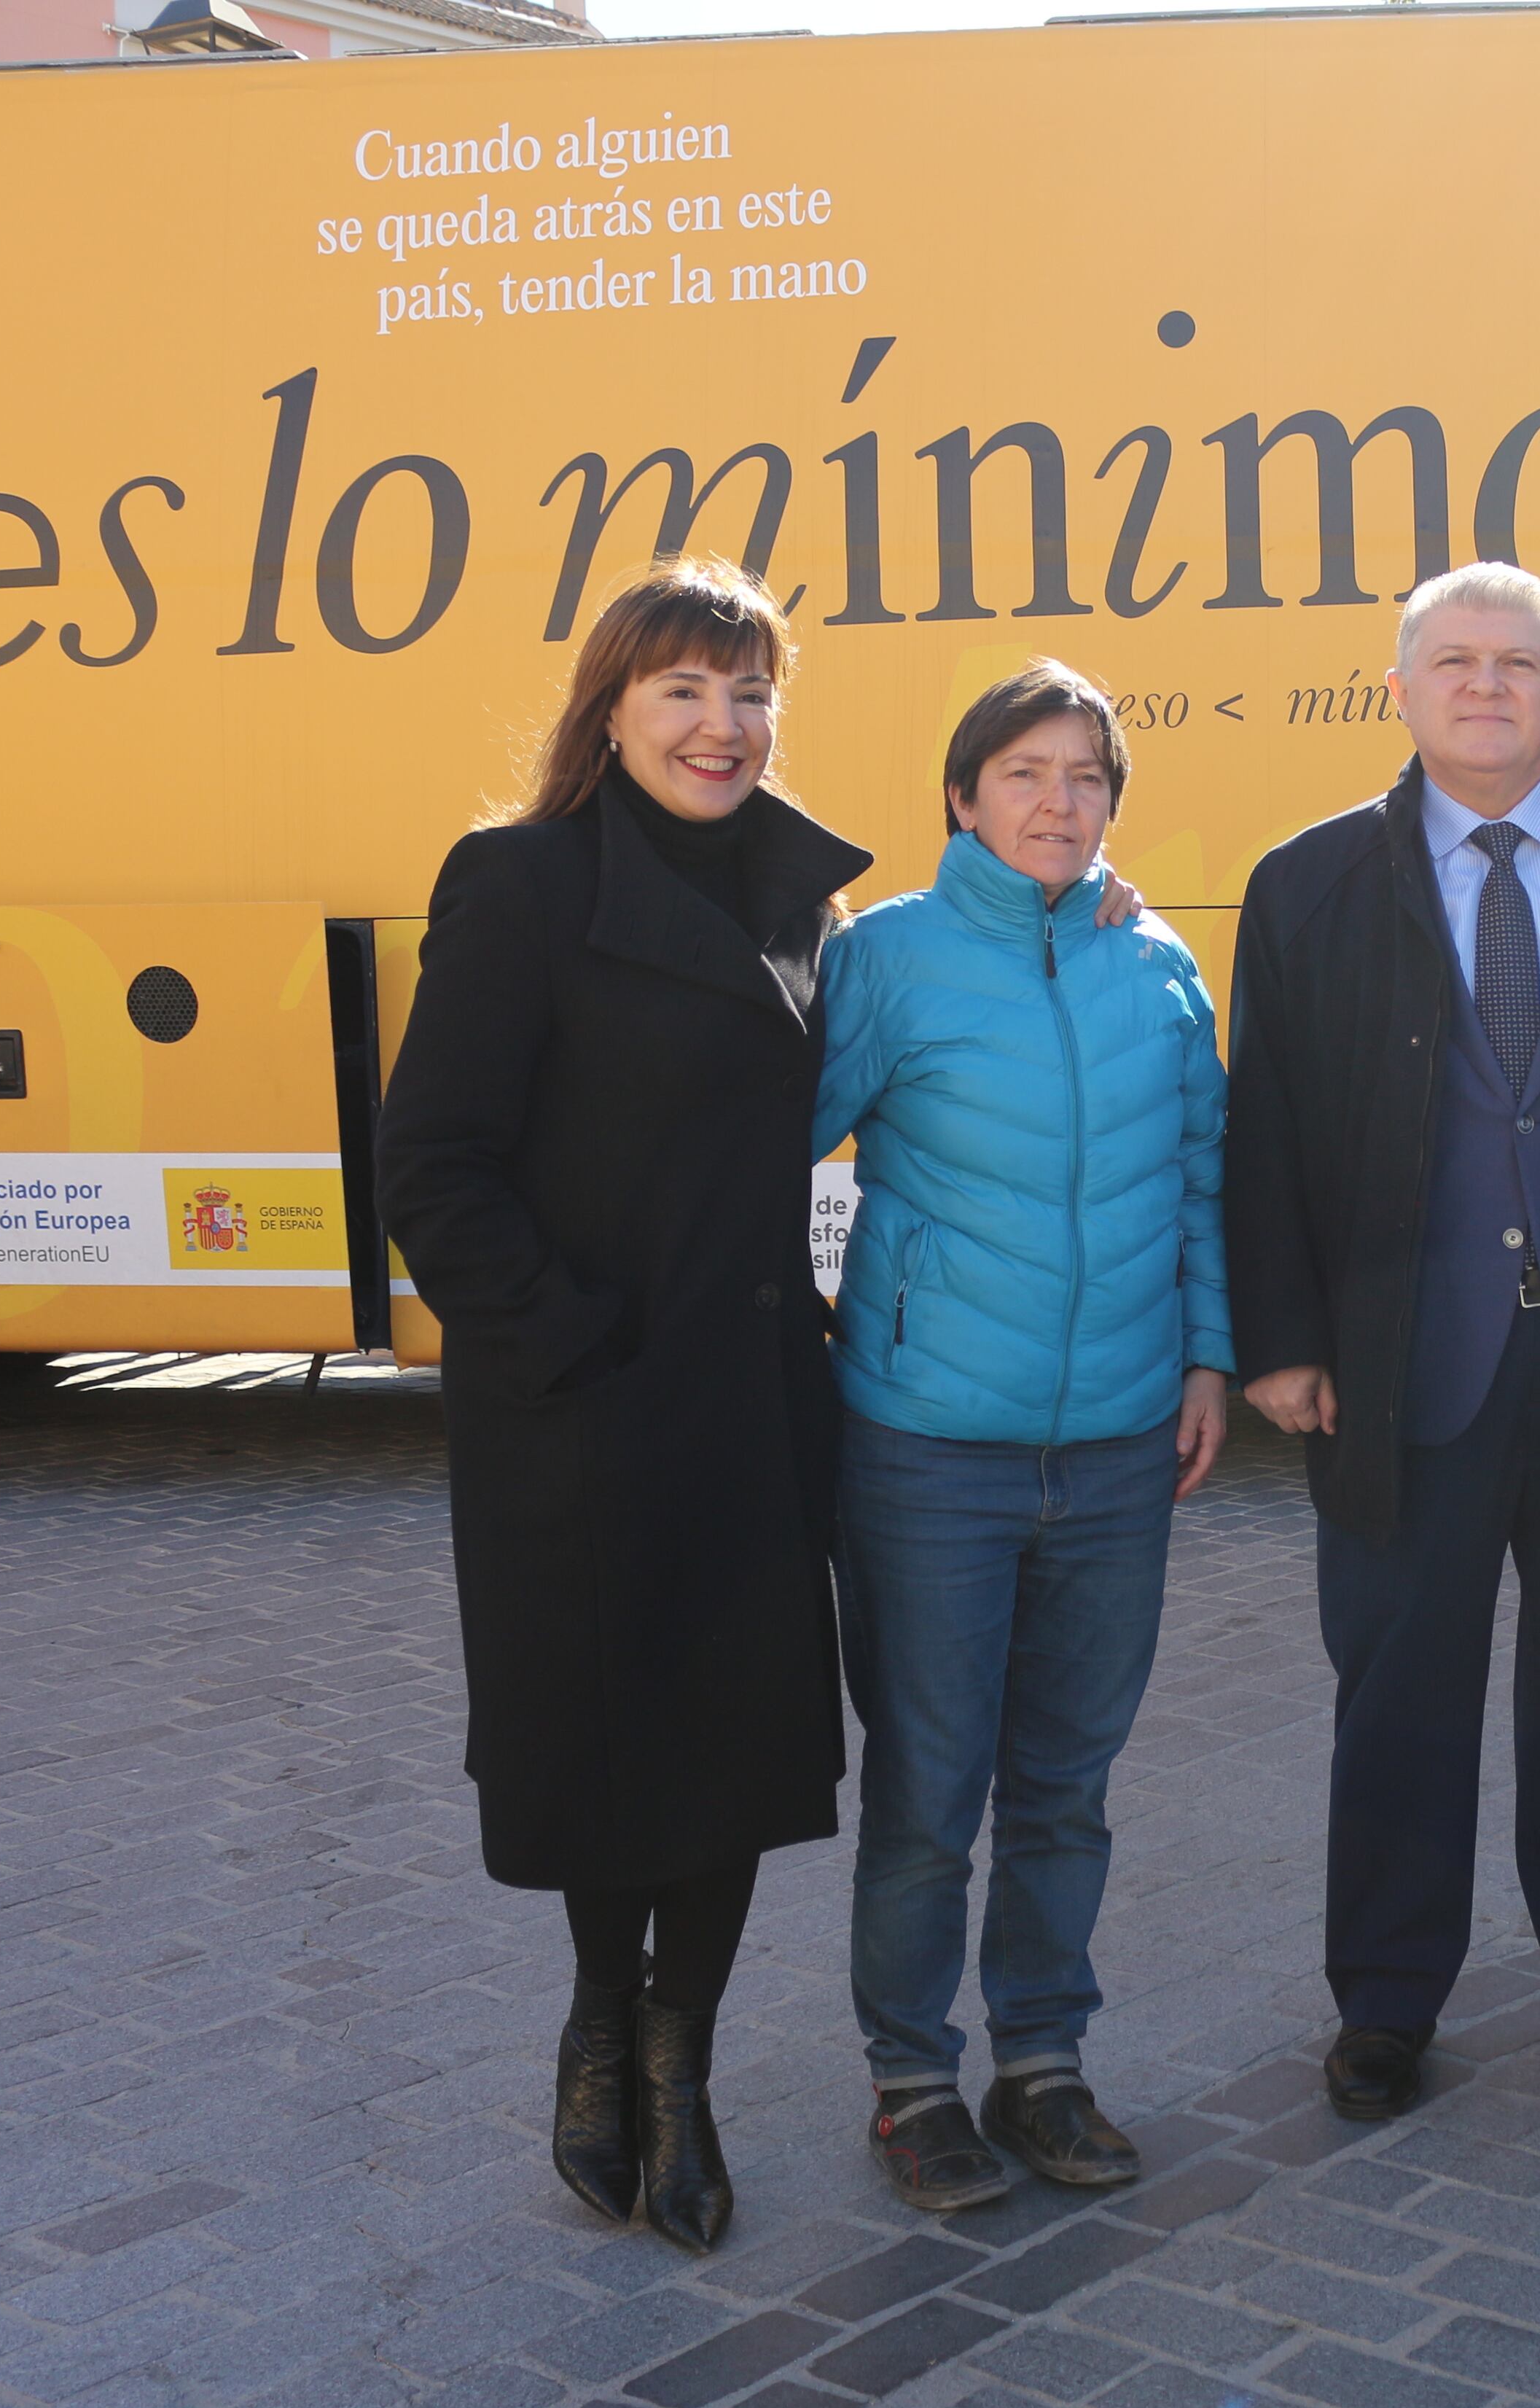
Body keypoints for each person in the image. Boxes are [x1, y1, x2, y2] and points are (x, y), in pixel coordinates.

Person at [375, 558, 868, 2254]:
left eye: (749, 696)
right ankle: (602, 2015)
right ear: (611, 706)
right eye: (684, 691)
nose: (722, 727)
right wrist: (564, 1342)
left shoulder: (811, 900)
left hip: (747, 1406)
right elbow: (430, 1162)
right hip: (575, 1411)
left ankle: (688, 2056)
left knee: (732, 1752)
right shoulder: (517, 882)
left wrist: (1086, 905)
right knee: (606, 1748)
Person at [1227, 561, 1540, 2125]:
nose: (1486, 686)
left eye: (1520, 662)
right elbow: (1263, 1135)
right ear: (1400, 686)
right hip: (1399, 1369)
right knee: (1397, 1698)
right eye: (1453, 660)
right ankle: (1386, 2000)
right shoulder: (1306, 882)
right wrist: (1283, 1338)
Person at [813, 661, 1232, 2213]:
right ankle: (912, 2079)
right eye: (1026, 775)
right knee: (928, 1787)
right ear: (961, 797)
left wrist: (1206, 1357)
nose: (1061, 804)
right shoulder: (892, 962)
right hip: (928, 1453)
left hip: (1121, 1450)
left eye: (1087, 778)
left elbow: (1199, 1177)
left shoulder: (1158, 966)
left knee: (1067, 1783)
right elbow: (752, 1140)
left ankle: (1042, 2060)